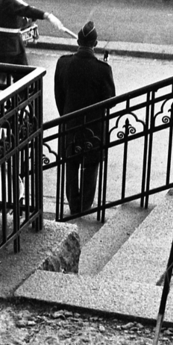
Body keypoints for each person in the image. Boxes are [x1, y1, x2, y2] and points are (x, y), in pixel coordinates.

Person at [54, 21, 116, 216]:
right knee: (91, 166)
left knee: (70, 165)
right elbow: (110, 101)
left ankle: (73, 205)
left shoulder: (63, 62)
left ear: (78, 41)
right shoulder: (103, 69)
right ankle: (85, 206)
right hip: (94, 126)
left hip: (69, 123)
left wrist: (65, 116)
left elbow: (59, 95)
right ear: (95, 43)